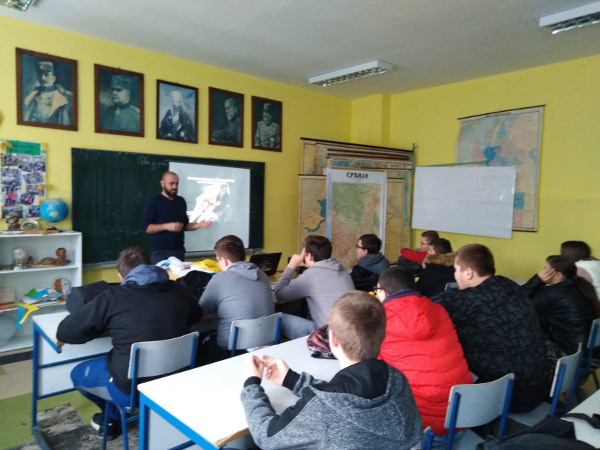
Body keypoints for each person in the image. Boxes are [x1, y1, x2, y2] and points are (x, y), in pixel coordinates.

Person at [240, 291, 423, 450]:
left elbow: (266, 436)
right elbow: (345, 393)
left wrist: (251, 384)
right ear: (382, 335)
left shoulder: (322, 409)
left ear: (332, 340)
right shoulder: (397, 379)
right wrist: (291, 379)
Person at [56, 247, 202, 438]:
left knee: (77, 374)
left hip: (132, 390)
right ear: (151, 267)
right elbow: (197, 315)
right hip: (177, 381)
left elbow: (66, 333)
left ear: (121, 276)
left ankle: (111, 418)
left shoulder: (112, 296)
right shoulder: (178, 289)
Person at [431, 244, 549, 413]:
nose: (455, 275)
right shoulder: (510, 285)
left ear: (468, 272)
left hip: (510, 395)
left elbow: (418, 309)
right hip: (541, 385)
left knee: (442, 369)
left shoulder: (464, 299)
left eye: (456, 270)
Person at [376, 266, 472, 441]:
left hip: (421, 430)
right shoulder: (439, 310)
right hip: (463, 418)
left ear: (382, 292)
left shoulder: (381, 321)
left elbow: (374, 370)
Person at [199, 235, 275, 364]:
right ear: (243, 255)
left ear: (224, 261)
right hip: (267, 343)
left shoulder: (219, 279)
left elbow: (201, 310)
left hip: (233, 349)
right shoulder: (262, 274)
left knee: (202, 342)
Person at [274, 235, 354, 339]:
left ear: (310, 256)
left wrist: (292, 265)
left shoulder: (311, 276)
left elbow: (279, 294)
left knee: (277, 317)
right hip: (351, 334)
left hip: (328, 337)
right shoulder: (341, 268)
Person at [522, 255, 600, 358]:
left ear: (558, 275)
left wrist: (537, 280)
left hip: (571, 354)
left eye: (545, 269)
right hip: (590, 351)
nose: (541, 272)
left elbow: (518, 303)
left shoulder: (552, 292)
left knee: (519, 336)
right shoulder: (580, 286)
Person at [142, 171, 212, 264]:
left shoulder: (181, 201)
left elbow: (185, 226)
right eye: (171, 183)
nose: (175, 186)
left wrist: (199, 225)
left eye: (177, 183)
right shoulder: (154, 201)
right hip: (161, 252)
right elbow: (147, 227)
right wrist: (167, 226)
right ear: (162, 184)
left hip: (179, 251)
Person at [23, 60, 72, 125]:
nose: (42, 78)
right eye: (40, 75)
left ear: (53, 78)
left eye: (46, 74)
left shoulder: (63, 98)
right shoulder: (32, 96)